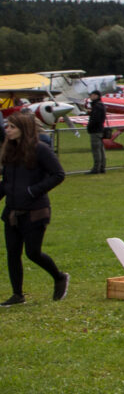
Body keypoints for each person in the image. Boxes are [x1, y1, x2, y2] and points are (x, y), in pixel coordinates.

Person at [1, 112, 68, 306]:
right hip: (12, 212)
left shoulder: (40, 149)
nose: (8, 130)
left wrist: (32, 191)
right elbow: (7, 183)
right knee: (13, 253)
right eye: (7, 127)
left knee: (33, 253)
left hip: (35, 211)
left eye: (12, 127)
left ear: (24, 129)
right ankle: (17, 294)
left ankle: (59, 277)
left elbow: (58, 174)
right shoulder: (9, 150)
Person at [85, 90, 108, 173]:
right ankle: (102, 167)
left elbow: (95, 119)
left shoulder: (97, 106)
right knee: (101, 149)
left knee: (96, 150)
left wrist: (89, 126)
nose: (90, 97)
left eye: (92, 95)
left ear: (96, 96)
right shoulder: (101, 105)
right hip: (100, 130)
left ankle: (96, 168)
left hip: (95, 130)